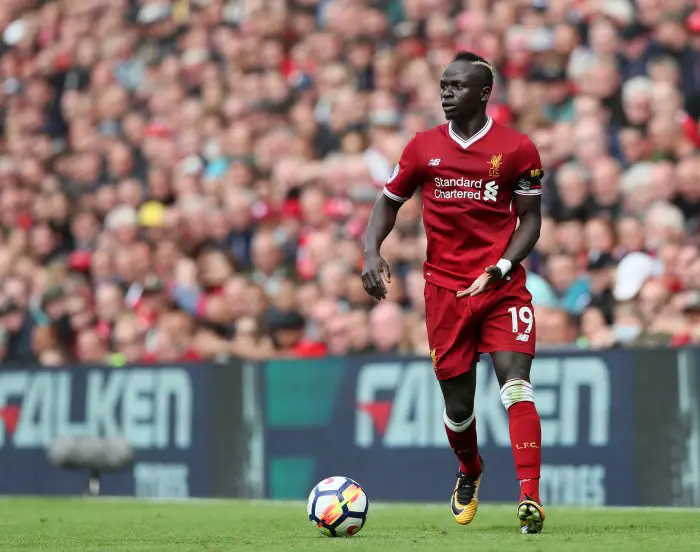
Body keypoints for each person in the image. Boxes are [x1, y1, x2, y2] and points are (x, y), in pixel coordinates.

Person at [361, 52, 545, 534]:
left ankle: (530, 498)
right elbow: (387, 202)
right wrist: (370, 252)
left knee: (516, 385)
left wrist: (503, 267)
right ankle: (470, 470)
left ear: (484, 93)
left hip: (502, 286)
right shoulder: (423, 147)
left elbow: (531, 220)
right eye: (443, 85)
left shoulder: (517, 148)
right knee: (458, 407)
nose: (446, 93)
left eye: (457, 86)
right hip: (445, 290)